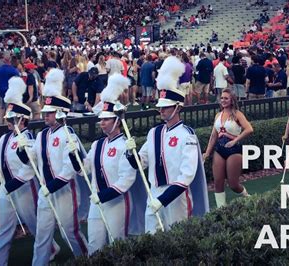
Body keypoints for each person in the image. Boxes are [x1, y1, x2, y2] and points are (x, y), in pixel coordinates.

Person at [125, 56, 209, 233]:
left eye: (166, 107)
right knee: (151, 240)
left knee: (177, 241)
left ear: (178, 107)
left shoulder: (187, 135)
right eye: (160, 107)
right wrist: (130, 154)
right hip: (154, 193)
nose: (161, 110)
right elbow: (142, 163)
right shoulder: (154, 133)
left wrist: (163, 200)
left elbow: (187, 175)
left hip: (176, 197)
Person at [0, 76, 59, 265]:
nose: (8, 121)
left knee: (34, 225)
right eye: (9, 118)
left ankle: (51, 248)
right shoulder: (4, 138)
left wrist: (14, 183)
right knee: (5, 228)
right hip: (6, 189)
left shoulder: (30, 139)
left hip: (24, 189)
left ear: (22, 120)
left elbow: (30, 168)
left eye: (12, 119)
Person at [18, 68, 89, 265]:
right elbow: (31, 159)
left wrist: (51, 187)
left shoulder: (68, 135)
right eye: (45, 112)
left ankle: (86, 260)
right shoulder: (41, 135)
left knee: (70, 232)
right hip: (45, 192)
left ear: (58, 113)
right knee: (42, 235)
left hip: (65, 191)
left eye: (49, 113)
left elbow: (70, 169)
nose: (45, 115)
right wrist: (22, 151)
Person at [79, 74, 143, 255]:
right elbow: (85, 169)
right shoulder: (97, 144)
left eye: (106, 119)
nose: (102, 122)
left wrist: (104, 195)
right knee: (94, 246)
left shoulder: (125, 145)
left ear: (116, 121)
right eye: (101, 119)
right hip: (96, 202)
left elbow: (126, 179)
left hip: (117, 202)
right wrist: (73, 156)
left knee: (117, 245)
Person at [203, 88, 253, 207]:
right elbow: (214, 135)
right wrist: (207, 152)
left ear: (232, 100)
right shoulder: (218, 115)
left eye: (226, 98)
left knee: (233, 184)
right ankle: (222, 209)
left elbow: (249, 129)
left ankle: (247, 197)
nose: (223, 100)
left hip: (234, 150)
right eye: (222, 98)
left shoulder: (237, 114)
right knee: (218, 181)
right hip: (219, 150)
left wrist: (235, 140)